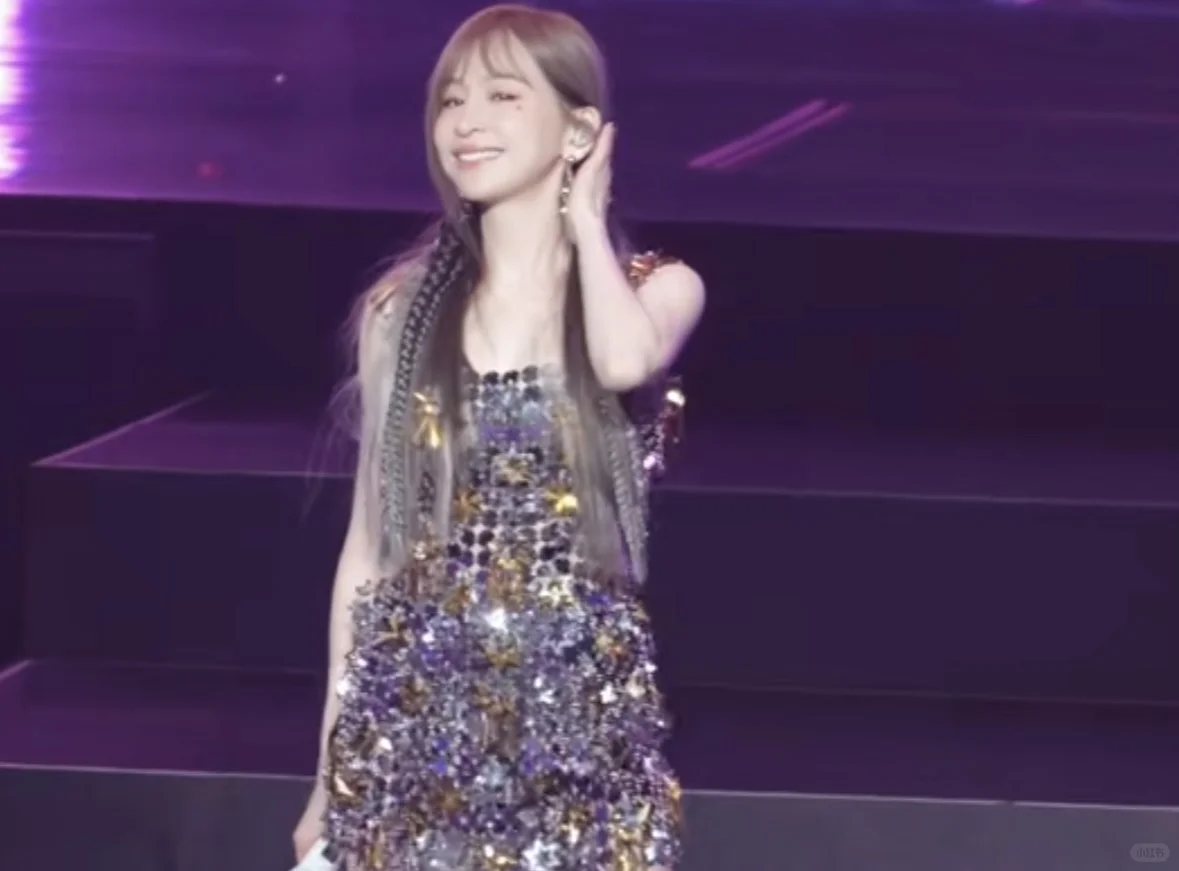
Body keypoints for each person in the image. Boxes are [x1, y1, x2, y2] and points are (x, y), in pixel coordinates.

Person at [292, 3, 706, 868]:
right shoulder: (402, 313)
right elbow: (369, 548)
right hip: (414, 733)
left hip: (576, 744)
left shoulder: (654, 289)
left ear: (578, 129)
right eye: (451, 100)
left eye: (502, 95)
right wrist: (329, 774)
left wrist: (584, 219)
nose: (466, 121)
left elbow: (623, 361)